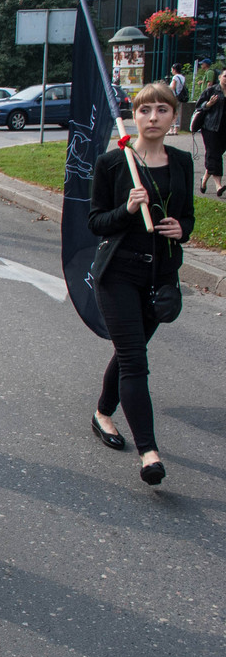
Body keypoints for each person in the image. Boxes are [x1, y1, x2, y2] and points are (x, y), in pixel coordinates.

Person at [88, 81, 194, 486]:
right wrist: (127, 209)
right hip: (117, 274)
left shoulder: (182, 162)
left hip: (160, 276)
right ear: (135, 115)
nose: (153, 117)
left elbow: (188, 217)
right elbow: (95, 221)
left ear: (173, 116)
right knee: (135, 360)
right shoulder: (114, 163)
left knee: (130, 350)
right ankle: (149, 452)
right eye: (145, 110)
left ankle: (102, 412)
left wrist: (179, 229)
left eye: (161, 110)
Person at [191, 68, 226, 197]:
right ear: (220, 77)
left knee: (215, 155)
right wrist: (209, 104)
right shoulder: (211, 90)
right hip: (210, 127)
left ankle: (204, 180)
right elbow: (199, 106)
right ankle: (218, 186)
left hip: (224, 129)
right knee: (214, 155)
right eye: (225, 76)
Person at [168, 63, 186, 134]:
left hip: (174, 96)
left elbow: (172, 87)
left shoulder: (175, 77)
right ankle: (176, 129)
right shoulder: (182, 77)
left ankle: (171, 129)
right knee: (177, 113)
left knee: (172, 112)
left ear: (174, 69)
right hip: (180, 97)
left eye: (172, 69)